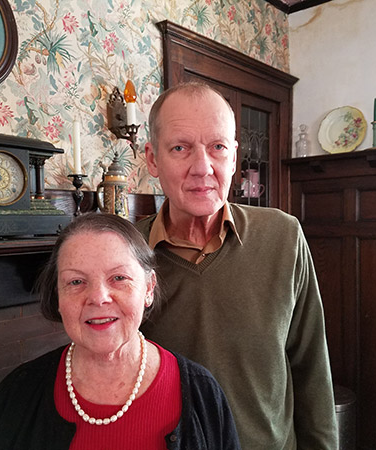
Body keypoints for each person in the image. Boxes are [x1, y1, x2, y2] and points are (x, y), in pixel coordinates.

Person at [136, 81, 338, 449]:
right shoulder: (127, 253)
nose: (202, 167)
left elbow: (311, 367)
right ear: (152, 159)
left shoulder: (282, 236)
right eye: (180, 148)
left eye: (217, 147)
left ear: (233, 157)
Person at [0, 213, 241, 450]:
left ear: (148, 288)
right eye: (76, 281)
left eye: (119, 278)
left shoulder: (202, 392)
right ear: (58, 296)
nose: (98, 298)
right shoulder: (16, 394)